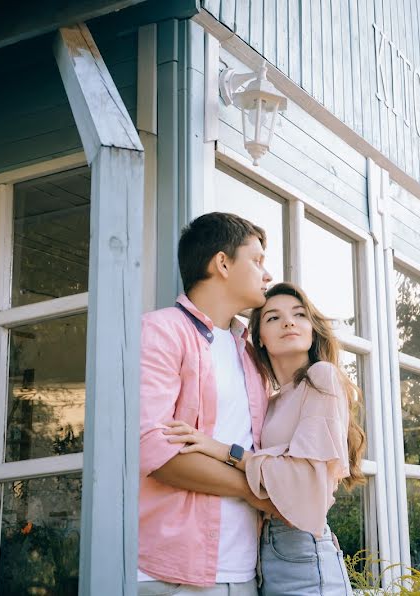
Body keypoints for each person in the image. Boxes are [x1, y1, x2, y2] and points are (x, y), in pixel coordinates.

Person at [164, 282, 366, 595]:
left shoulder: (321, 376)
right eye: (273, 318)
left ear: (312, 330)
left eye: (299, 315)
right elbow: (275, 473)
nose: (288, 322)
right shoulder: (269, 402)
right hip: (264, 554)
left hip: (304, 555)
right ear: (259, 338)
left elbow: (303, 481)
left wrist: (225, 452)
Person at [138, 212, 277, 595]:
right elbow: (156, 453)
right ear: (222, 263)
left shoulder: (251, 355)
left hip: (246, 570)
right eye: (257, 260)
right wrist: (259, 491)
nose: (267, 274)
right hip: (169, 573)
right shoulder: (161, 330)